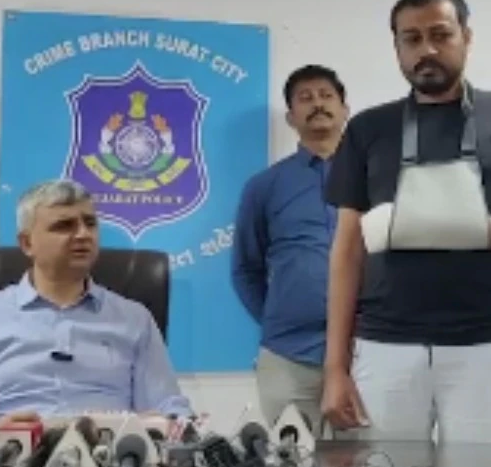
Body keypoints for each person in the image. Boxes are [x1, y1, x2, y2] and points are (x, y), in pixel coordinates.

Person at [321, 0, 491, 444]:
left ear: (466, 37)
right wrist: (335, 368)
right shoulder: (368, 128)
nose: (427, 50)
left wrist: (434, 226)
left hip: (485, 345)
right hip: (385, 344)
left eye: (440, 34)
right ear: (397, 47)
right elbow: (347, 252)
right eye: (411, 39)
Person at [0, 179, 191, 418]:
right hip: (16, 439)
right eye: (64, 226)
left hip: (107, 439)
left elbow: (168, 406)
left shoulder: (135, 319)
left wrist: (167, 422)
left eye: (90, 223)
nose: (83, 234)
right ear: (27, 243)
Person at [231, 64, 349, 431]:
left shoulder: (376, 178)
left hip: (367, 352)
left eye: (326, 96)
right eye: (305, 98)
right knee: (291, 452)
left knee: (368, 453)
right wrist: (279, 316)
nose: (318, 104)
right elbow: (246, 269)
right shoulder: (264, 186)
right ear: (290, 117)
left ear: (345, 109)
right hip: (289, 354)